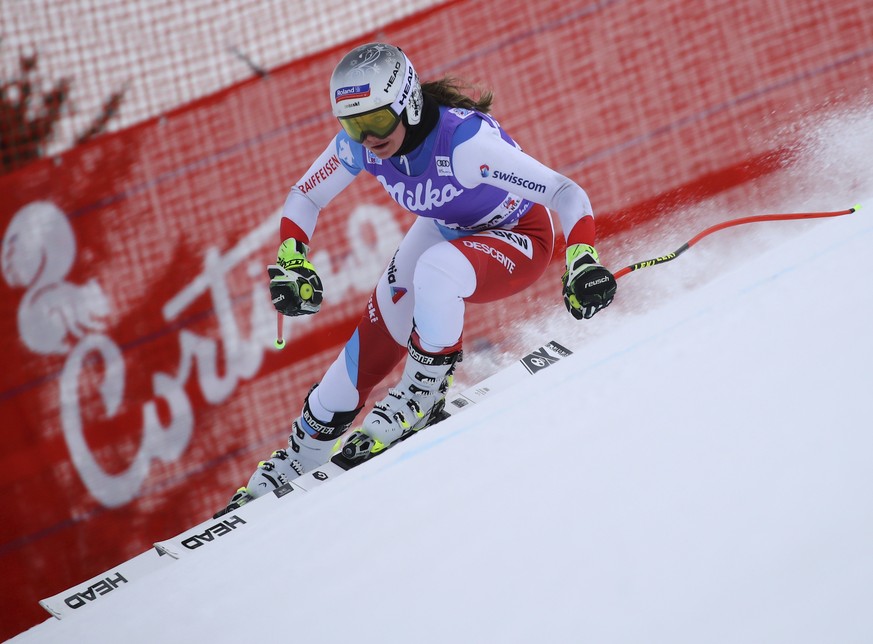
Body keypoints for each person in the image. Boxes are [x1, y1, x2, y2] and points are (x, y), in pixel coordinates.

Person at [216, 42, 616, 514]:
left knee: (436, 269)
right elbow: (306, 195)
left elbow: (566, 193)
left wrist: (583, 259)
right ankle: (299, 454)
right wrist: (292, 259)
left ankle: (423, 392)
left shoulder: (466, 147)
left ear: (406, 100)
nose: (367, 138)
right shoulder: (360, 145)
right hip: (447, 229)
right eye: (353, 124)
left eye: (377, 122)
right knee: (366, 342)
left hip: (519, 237)